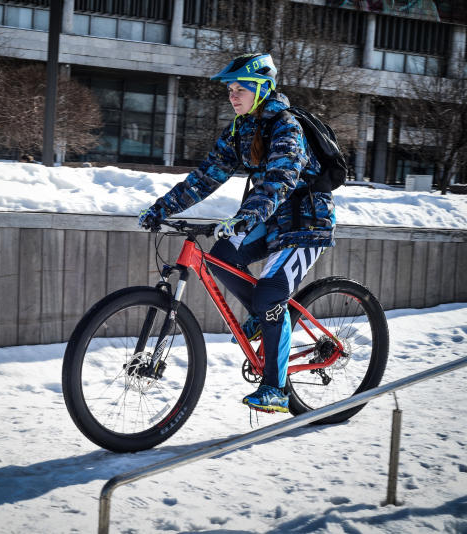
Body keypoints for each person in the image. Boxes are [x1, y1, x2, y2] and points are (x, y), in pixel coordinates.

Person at [138, 53, 336, 413]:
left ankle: (276, 388)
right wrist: (161, 208)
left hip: (306, 222)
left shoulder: (286, 126)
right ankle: (265, 316)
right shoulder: (241, 130)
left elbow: (280, 180)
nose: (232, 95)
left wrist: (247, 215)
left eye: (239, 88)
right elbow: (204, 178)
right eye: (230, 88)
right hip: (273, 219)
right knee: (221, 257)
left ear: (261, 88)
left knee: (271, 292)